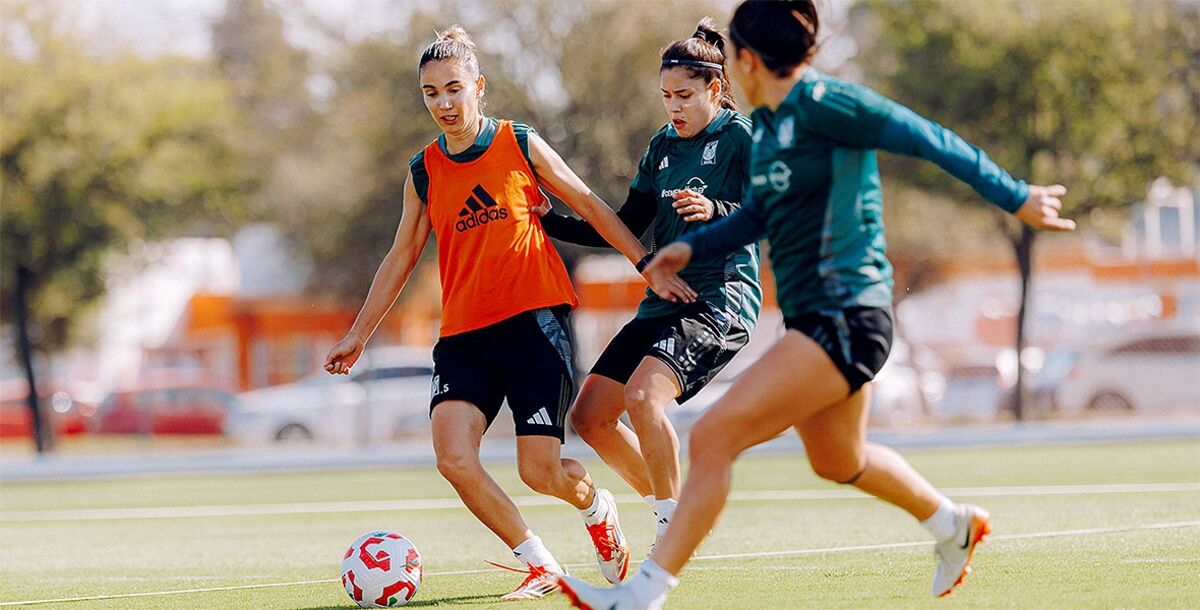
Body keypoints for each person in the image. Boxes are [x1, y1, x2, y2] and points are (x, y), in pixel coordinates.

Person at [558, 2, 1076, 608]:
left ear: (745, 64)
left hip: (847, 312)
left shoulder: (830, 106)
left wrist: (1017, 197)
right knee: (839, 460)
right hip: (816, 318)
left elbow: (929, 139)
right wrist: (687, 249)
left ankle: (641, 594)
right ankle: (952, 525)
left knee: (715, 437)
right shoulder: (775, 125)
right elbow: (759, 216)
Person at [323, 26, 697, 601]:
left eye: (454, 89)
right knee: (453, 458)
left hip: (534, 329)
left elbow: (589, 204)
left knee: (539, 473)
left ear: (479, 86)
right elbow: (400, 256)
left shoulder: (518, 142)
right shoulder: (423, 171)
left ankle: (596, 506)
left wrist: (644, 261)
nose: (443, 104)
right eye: (430, 93)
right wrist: (358, 335)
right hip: (465, 337)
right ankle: (539, 563)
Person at [532, 17, 761, 550]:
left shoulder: (740, 138)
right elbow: (623, 223)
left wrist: (717, 208)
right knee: (589, 419)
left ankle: (671, 527)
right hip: (663, 302)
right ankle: (676, 510)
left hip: (719, 300)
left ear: (716, 88)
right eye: (665, 96)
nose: (673, 107)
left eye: (684, 94)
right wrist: (547, 218)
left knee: (643, 397)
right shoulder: (661, 147)